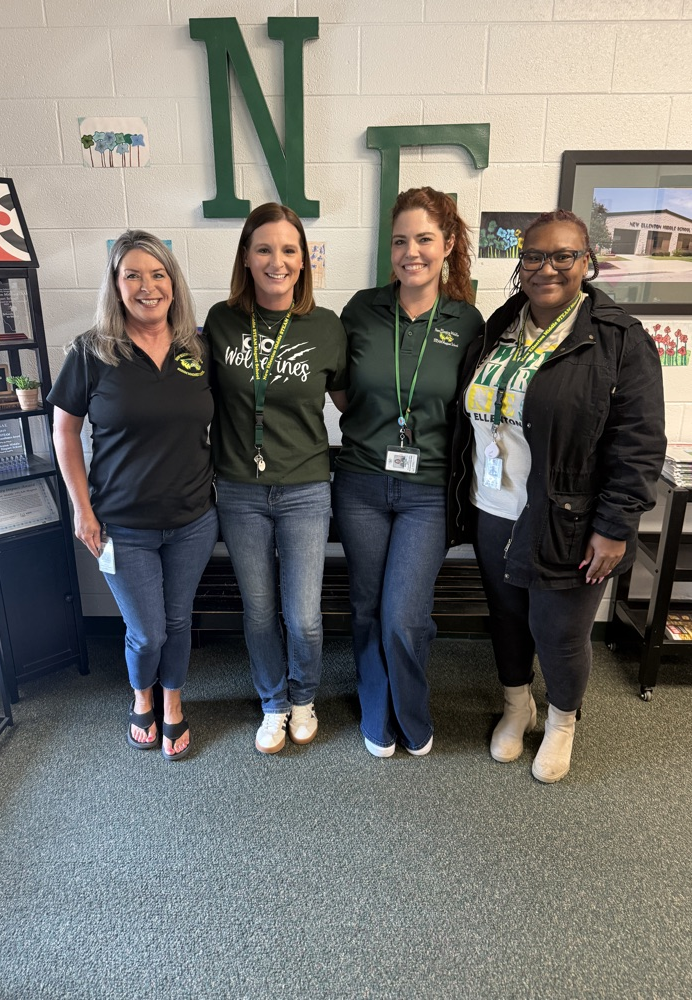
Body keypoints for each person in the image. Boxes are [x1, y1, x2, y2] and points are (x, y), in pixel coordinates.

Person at [449, 209, 666, 782]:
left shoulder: (618, 339)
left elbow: (639, 441)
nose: (547, 267)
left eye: (562, 256)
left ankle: (563, 721)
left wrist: (615, 525)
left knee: (561, 632)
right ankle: (517, 707)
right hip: (494, 506)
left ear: (585, 262)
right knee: (508, 617)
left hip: (569, 517)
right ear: (520, 263)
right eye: (535, 256)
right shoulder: (500, 326)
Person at [48, 230, 218, 761]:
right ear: (116, 286)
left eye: (158, 274)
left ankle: (171, 704)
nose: (148, 287)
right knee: (146, 633)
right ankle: (139, 696)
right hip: (121, 525)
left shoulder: (199, 347)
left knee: (177, 621)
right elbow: (64, 431)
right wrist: (82, 508)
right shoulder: (91, 351)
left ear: (173, 282)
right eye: (133, 276)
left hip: (193, 518)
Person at [331, 187, 483, 757]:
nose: (410, 251)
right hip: (362, 482)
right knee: (368, 606)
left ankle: (411, 712)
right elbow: (344, 392)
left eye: (423, 239)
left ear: (447, 245)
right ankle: (377, 711)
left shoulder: (467, 321)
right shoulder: (361, 309)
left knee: (404, 612)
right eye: (400, 241)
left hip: (428, 491)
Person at [203, 203, 347, 754]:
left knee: (303, 614)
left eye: (290, 250)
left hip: (306, 488)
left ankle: (304, 696)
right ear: (246, 255)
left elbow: (350, 403)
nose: (277, 261)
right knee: (259, 609)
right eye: (264, 248)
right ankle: (272, 703)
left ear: (304, 260)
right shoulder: (221, 320)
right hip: (238, 488)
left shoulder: (326, 327)